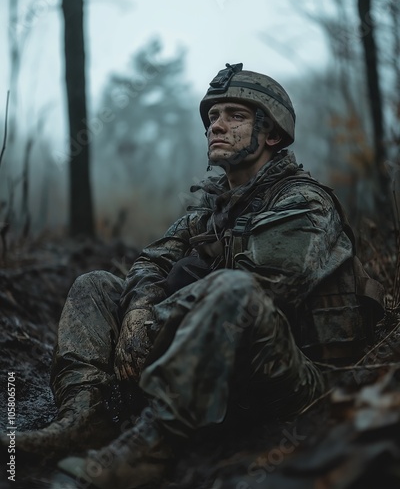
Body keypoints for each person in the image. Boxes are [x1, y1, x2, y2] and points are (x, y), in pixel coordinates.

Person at [2, 63, 384, 488]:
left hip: (295, 381)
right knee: (96, 285)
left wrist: (153, 322)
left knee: (234, 288)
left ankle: (154, 445)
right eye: (212, 117)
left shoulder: (303, 204)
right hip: (216, 366)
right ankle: (87, 416)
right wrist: (140, 307)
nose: (215, 126)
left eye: (234, 116)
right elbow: (151, 262)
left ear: (272, 134)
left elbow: (266, 292)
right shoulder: (214, 207)